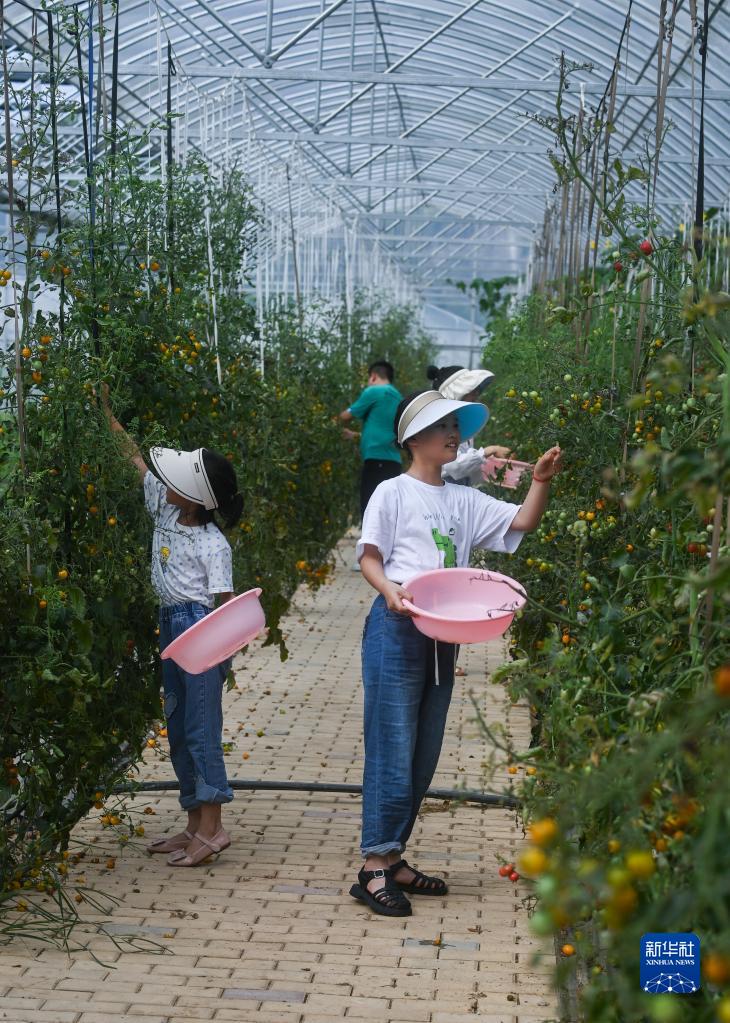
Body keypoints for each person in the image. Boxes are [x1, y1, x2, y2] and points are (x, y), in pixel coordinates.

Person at [349, 389, 562, 916]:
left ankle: (394, 857)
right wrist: (389, 591)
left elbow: (522, 523)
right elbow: (369, 556)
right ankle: (374, 867)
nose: (453, 436)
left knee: (423, 750)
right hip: (397, 625)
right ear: (413, 439)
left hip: (443, 633)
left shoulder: (463, 499)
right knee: (392, 742)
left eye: (455, 427)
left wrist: (539, 482)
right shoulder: (392, 493)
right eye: (443, 427)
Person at [101, 386, 243, 868]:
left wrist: (220, 657)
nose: (166, 480)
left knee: (203, 727)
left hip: (201, 630)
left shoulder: (213, 545)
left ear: (197, 498)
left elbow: (225, 607)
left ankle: (214, 828)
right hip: (171, 627)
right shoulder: (164, 507)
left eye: (178, 479)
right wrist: (107, 413)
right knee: (179, 726)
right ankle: (191, 823)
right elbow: (136, 461)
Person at [427, 364, 513, 486]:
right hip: (443, 487)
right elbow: (453, 465)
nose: (476, 394)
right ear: (457, 394)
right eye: (471, 391)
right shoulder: (441, 425)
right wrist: (488, 451)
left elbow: (464, 464)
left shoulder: (460, 423)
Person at [339, 360, 402, 521]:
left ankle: (371, 545)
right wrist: (356, 435)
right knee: (389, 511)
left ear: (373, 376)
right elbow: (385, 430)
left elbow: (346, 416)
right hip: (393, 461)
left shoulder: (374, 392)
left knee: (370, 509)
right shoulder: (398, 397)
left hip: (376, 461)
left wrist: (328, 422)